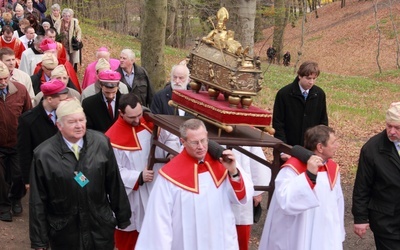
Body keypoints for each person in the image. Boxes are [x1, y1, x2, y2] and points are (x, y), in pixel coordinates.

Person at [135, 118, 254, 250]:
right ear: (183, 142)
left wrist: (233, 172)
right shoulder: (169, 177)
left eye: (203, 140)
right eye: (194, 143)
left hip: (220, 241)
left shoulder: (223, 162)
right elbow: (158, 224)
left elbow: (241, 197)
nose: (201, 147)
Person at [29, 98, 131, 249]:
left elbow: (114, 182)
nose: (79, 126)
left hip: (99, 226)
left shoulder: (101, 143)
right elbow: (37, 200)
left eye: (81, 120)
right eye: (72, 122)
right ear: (59, 125)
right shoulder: (44, 155)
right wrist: (39, 239)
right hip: (64, 231)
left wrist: (122, 216)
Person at [105, 93, 180, 250]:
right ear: (121, 113)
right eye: (132, 117)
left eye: (139, 114)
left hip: (157, 188)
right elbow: (113, 171)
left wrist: (170, 153)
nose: (138, 120)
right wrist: (138, 177)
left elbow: (171, 138)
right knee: (131, 237)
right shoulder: (111, 139)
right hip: (134, 197)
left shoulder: (151, 122)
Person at [259, 125, 345, 249]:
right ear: (320, 147)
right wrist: (309, 176)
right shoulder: (291, 169)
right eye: (334, 142)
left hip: (324, 237)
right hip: (296, 235)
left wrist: (337, 234)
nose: (337, 145)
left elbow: (338, 204)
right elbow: (286, 202)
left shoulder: (332, 169)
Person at [352, 102, 400, 249]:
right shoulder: (372, 149)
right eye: (388, 126)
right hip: (387, 221)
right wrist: (360, 218)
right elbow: (362, 185)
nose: (391, 131)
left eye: (397, 128)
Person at [272, 61, 328, 161]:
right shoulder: (284, 94)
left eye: (314, 79)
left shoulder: (319, 94)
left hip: (311, 150)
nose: (311, 82)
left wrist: (319, 148)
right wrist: (283, 149)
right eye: (308, 78)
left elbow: (323, 124)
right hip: (288, 148)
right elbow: (278, 124)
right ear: (299, 76)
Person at [17, 79, 68, 186]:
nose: (66, 103)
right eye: (61, 100)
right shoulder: (28, 120)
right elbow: (24, 152)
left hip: (69, 168)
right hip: (45, 172)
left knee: (83, 190)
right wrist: (27, 180)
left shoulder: (68, 115)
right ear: (49, 99)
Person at [0, 61, 32, 222]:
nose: (3, 82)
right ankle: (4, 206)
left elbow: (28, 114)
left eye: (5, 78)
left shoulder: (20, 90)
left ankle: (15, 198)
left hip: (17, 143)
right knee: (1, 179)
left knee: (19, 175)